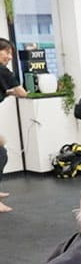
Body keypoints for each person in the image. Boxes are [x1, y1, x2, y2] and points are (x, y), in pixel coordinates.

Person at [0, 38, 27, 213]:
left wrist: (8, 92)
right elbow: (22, 93)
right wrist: (14, 92)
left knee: (1, 152)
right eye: (6, 52)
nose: (10, 57)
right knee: (0, 154)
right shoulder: (2, 70)